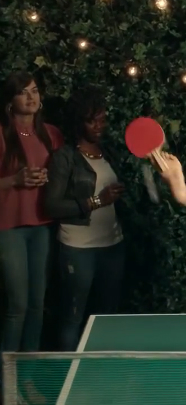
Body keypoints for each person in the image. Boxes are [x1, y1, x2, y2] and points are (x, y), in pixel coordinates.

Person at [43, 86, 127, 351]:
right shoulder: (65, 158)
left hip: (112, 245)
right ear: (79, 122)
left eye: (102, 119)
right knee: (72, 318)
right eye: (93, 121)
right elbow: (52, 206)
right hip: (78, 248)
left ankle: (100, 370)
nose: (99, 126)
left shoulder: (109, 152)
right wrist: (97, 201)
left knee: (106, 318)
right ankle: (67, 372)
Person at [0, 71, 64, 403]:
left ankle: (27, 380)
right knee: (18, 306)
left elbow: (64, 175)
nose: (31, 97)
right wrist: (15, 180)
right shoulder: (1, 134)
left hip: (42, 226)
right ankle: (7, 384)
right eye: (23, 92)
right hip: (8, 228)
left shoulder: (51, 134)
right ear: (10, 101)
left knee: (38, 305)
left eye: (35, 91)